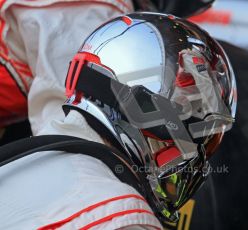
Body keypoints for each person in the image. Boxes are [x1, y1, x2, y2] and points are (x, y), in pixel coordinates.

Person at [0, 2, 234, 230]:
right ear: (153, 117)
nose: (201, 155)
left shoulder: (16, 168)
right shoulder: (120, 215)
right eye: (205, 137)